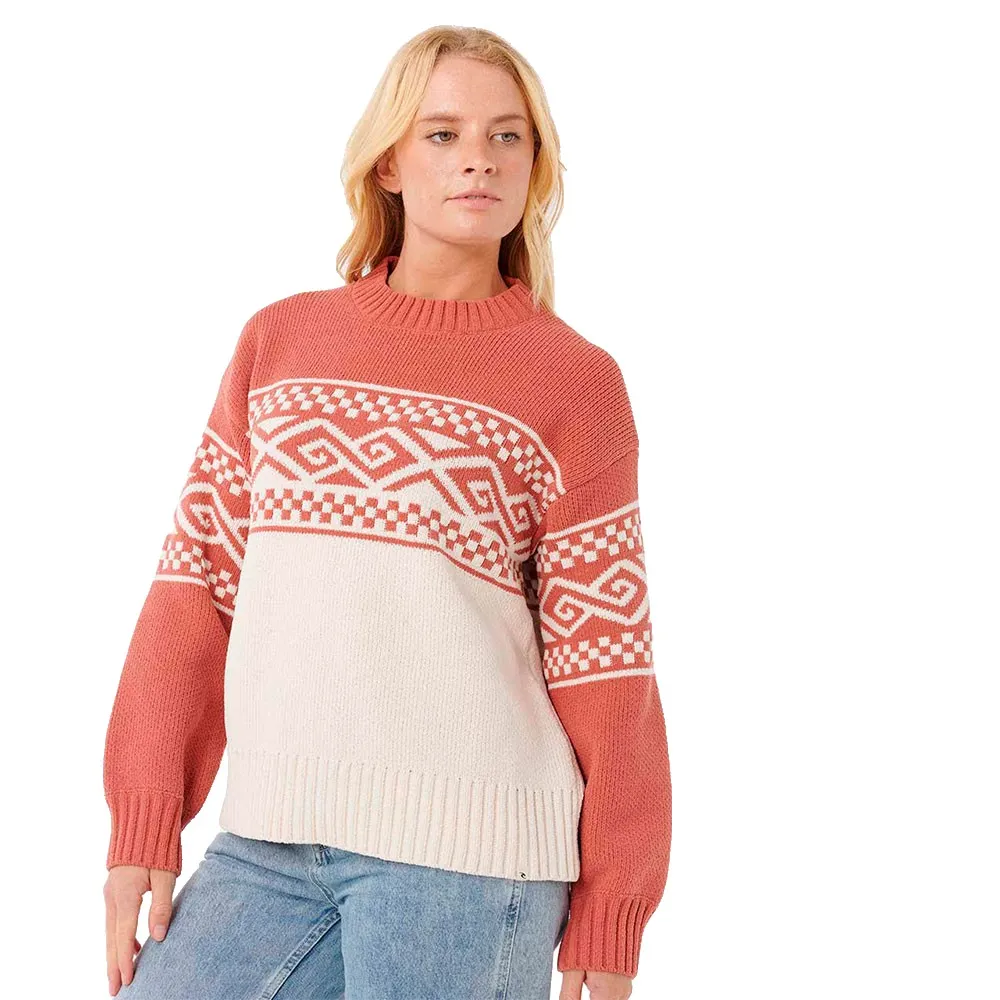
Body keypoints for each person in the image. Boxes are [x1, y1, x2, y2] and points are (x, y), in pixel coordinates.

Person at [102, 24, 672, 1000]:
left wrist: (613, 910)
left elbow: (607, 663)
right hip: (268, 842)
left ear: (534, 167)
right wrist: (143, 822)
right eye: (443, 133)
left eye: (506, 135)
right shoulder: (281, 343)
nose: (478, 159)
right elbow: (197, 587)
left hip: (470, 865)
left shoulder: (573, 382)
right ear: (389, 163)